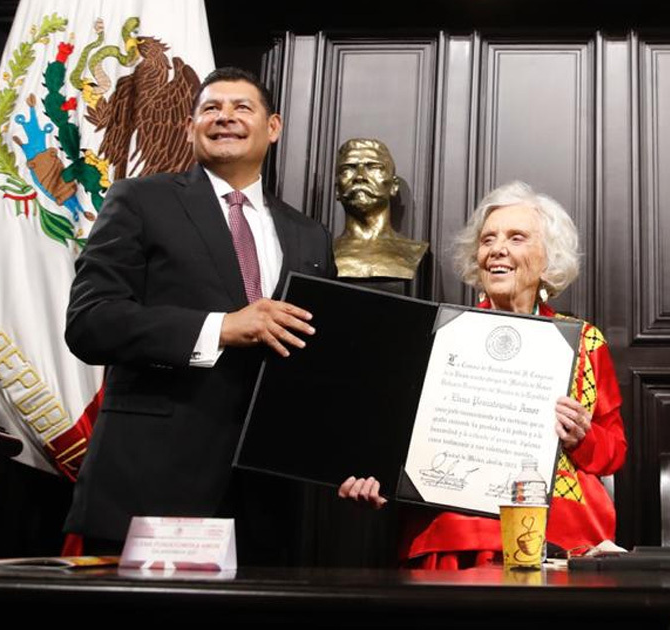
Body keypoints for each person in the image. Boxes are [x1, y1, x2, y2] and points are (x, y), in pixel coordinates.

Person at [63, 67, 335, 563]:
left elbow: (321, 361)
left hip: (268, 502)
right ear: (190, 128)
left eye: (241, 108)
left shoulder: (310, 235)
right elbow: (90, 321)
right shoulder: (139, 201)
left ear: (272, 127)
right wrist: (220, 328)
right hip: (151, 485)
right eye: (211, 108)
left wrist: (352, 457)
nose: (225, 117)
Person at [340, 181, 626, 568]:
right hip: (456, 530)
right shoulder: (440, 338)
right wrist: (376, 479)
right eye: (488, 239)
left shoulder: (586, 343)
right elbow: (398, 443)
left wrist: (582, 437)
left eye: (517, 238)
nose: (497, 250)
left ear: (549, 258)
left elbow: (613, 453)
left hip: (558, 532)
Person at [332, 138, 428, 279]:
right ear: (336, 190)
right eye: (348, 168)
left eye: (373, 167)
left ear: (394, 186)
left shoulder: (414, 253)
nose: (360, 177)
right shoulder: (323, 253)